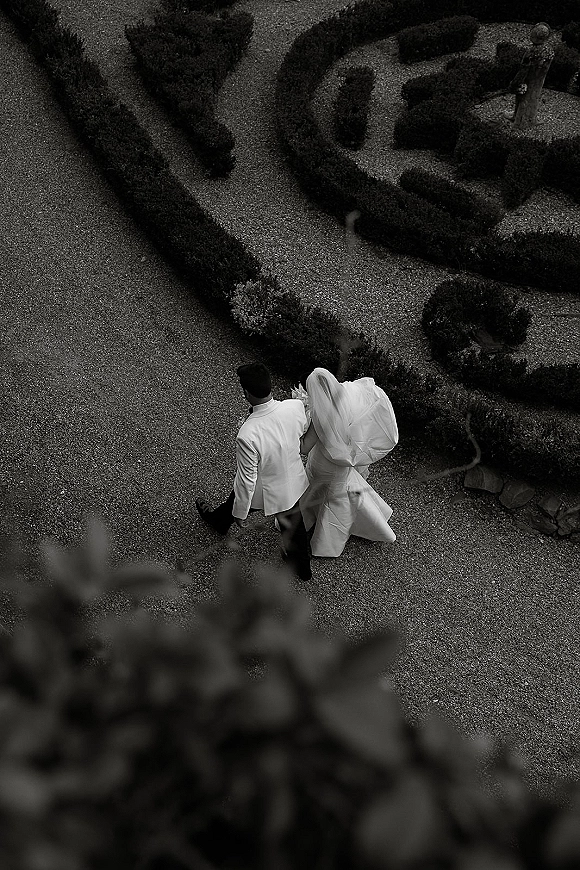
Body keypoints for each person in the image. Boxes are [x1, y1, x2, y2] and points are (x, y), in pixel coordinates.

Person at [196, 363, 312, 581]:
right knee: (295, 526)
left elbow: (247, 480)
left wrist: (241, 513)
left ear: (246, 393)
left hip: (265, 489)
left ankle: (221, 522)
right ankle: (302, 569)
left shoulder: (248, 434)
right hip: (293, 480)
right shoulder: (294, 407)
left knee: (237, 500)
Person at [299, 367, 398, 558]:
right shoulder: (350, 398)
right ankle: (330, 540)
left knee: (313, 489)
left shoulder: (319, 416)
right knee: (335, 498)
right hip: (341, 467)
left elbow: (304, 447)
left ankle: (307, 522)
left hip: (322, 464)